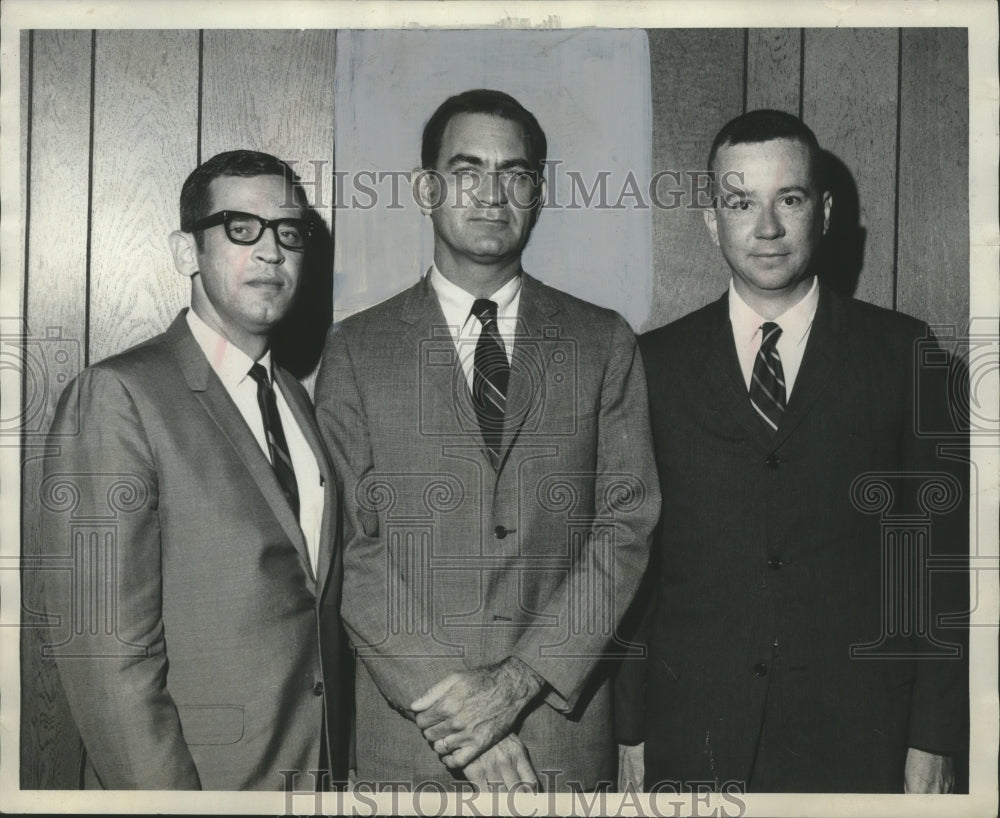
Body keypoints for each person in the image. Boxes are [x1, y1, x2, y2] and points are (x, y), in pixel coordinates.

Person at [314, 89, 660, 792]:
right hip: (413, 735)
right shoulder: (355, 350)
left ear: (539, 192)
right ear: (426, 187)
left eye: (516, 173)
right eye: (467, 170)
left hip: (556, 732)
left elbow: (627, 527)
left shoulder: (603, 341)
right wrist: (455, 708)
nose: (491, 193)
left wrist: (517, 683)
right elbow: (349, 547)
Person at [617, 109, 968, 793]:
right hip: (695, 738)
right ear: (712, 220)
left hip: (860, 740)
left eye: (791, 199)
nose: (767, 227)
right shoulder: (654, 364)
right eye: (741, 202)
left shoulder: (903, 354)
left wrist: (934, 738)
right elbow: (637, 566)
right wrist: (631, 730)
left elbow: (937, 567)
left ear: (826, 212)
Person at [40, 150, 349, 790]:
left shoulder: (292, 396)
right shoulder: (119, 396)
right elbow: (106, 657)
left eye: (289, 232)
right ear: (188, 253)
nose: (270, 252)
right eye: (241, 228)